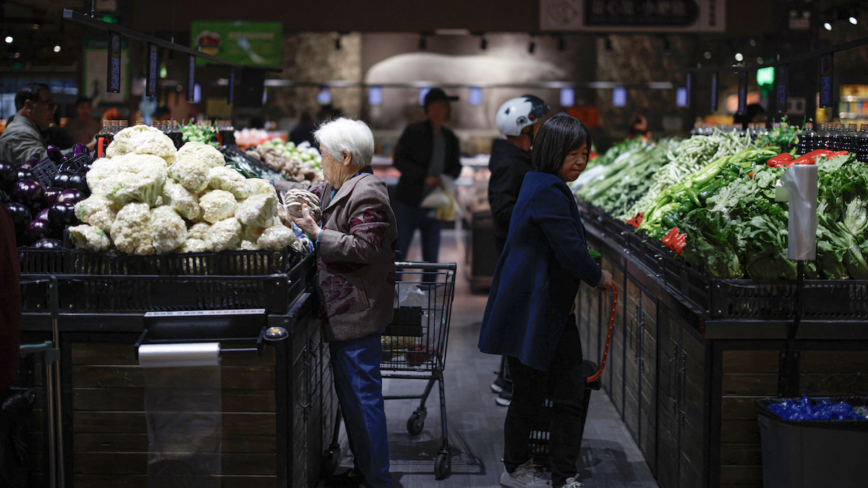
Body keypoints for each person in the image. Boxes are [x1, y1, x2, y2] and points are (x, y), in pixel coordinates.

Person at [478, 115, 614, 488]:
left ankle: (561, 474)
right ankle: (518, 470)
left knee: (562, 392)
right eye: (574, 153)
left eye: (585, 154)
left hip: (546, 311)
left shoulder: (540, 182)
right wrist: (596, 275)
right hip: (535, 313)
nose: (581, 162)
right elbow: (569, 247)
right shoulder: (548, 190)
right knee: (535, 394)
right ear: (554, 151)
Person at [286, 118, 397, 488]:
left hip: (357, 313)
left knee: (363, 398)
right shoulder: (340, 185)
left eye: (324, 155)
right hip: (344, 310)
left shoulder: (369, 192)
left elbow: (366, 247)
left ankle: (377, 479)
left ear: (345, 156)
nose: (321, 163)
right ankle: (368, 470)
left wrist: (318, 233)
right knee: (353, 398)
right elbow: (310, 190)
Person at [487, 95, 551, 407]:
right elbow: (501, 208)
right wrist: (534, 217)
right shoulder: (510, 164)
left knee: (517, 314)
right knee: (520, 316)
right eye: (537, 125)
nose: (541, 130)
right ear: (524, 128)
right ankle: (512, 385)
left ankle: (504, 379)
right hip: (516, 250)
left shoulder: (517, 159)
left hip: (517, 248)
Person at [392, 88, 462, 268]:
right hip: (408, 201)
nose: (443, 111)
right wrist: (424, 177)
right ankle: (393, 292)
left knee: (432, 254)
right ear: (429, 109)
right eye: (438, 107)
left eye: (445, 107)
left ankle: (427, 293)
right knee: (400, 251)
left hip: (434, 203)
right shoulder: (414, 131)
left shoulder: (450, 138)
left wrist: (444, 178)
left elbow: (456, 166)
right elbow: (399, 160)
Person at [0, 83, 53, 165]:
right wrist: (75, 152)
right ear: (29, 106)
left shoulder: (25, 128)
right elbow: (41, 161)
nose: (53, 111)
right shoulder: (18, 132)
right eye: (49, 105)